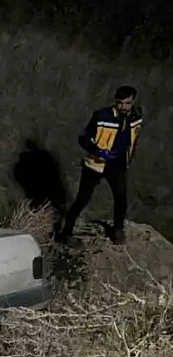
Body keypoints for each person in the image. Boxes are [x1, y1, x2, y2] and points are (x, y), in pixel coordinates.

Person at [56, 86, 143, 246]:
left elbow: (134, 139)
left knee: (121, 198)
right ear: (115, 101)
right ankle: (66, 233)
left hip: (118, 165)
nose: (123, 107)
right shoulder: (102, 116)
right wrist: (98, 151)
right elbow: (82, 138)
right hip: (96, 164)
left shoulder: (137, 116)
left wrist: (130, 157)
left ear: (133, 101)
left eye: (127, 103)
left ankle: (118, 230)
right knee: (82, 199)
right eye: (120, 103)